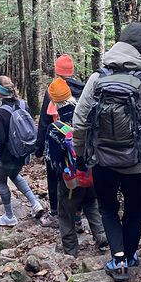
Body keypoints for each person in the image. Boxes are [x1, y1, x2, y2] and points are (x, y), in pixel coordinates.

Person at [73, 22, 141, 281]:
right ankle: (129, 256)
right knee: (135, 209)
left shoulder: (97, 79)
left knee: (107, 207)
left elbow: (80, 121)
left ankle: (117, 259)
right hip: (138, 164)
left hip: (102, 161)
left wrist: (80, 154)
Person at [45, 77, 106, 256]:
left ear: (54, 100)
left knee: (65, 214)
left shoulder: (55, 128)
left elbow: (53, 161)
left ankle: (71, 250)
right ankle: (101, 236)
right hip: (90, 172)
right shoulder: (86, 116)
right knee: (91, 204)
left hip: (70, 180)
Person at [35, 55, 85, 228]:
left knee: (55, 177)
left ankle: (56, 213)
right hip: (78, 142)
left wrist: (39, 149)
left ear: (57, 71)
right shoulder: (83, 88)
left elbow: (44, 121)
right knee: (78, 175)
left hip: (56, 141)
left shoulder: (54, 90)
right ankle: (78, 215)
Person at [0, 75, 44, 227]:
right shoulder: (23, 104)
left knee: (2, 181)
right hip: (23, 153)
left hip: (7, 156)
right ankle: (35, 203)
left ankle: (9, 216)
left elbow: (0, 139)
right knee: (14, 175)